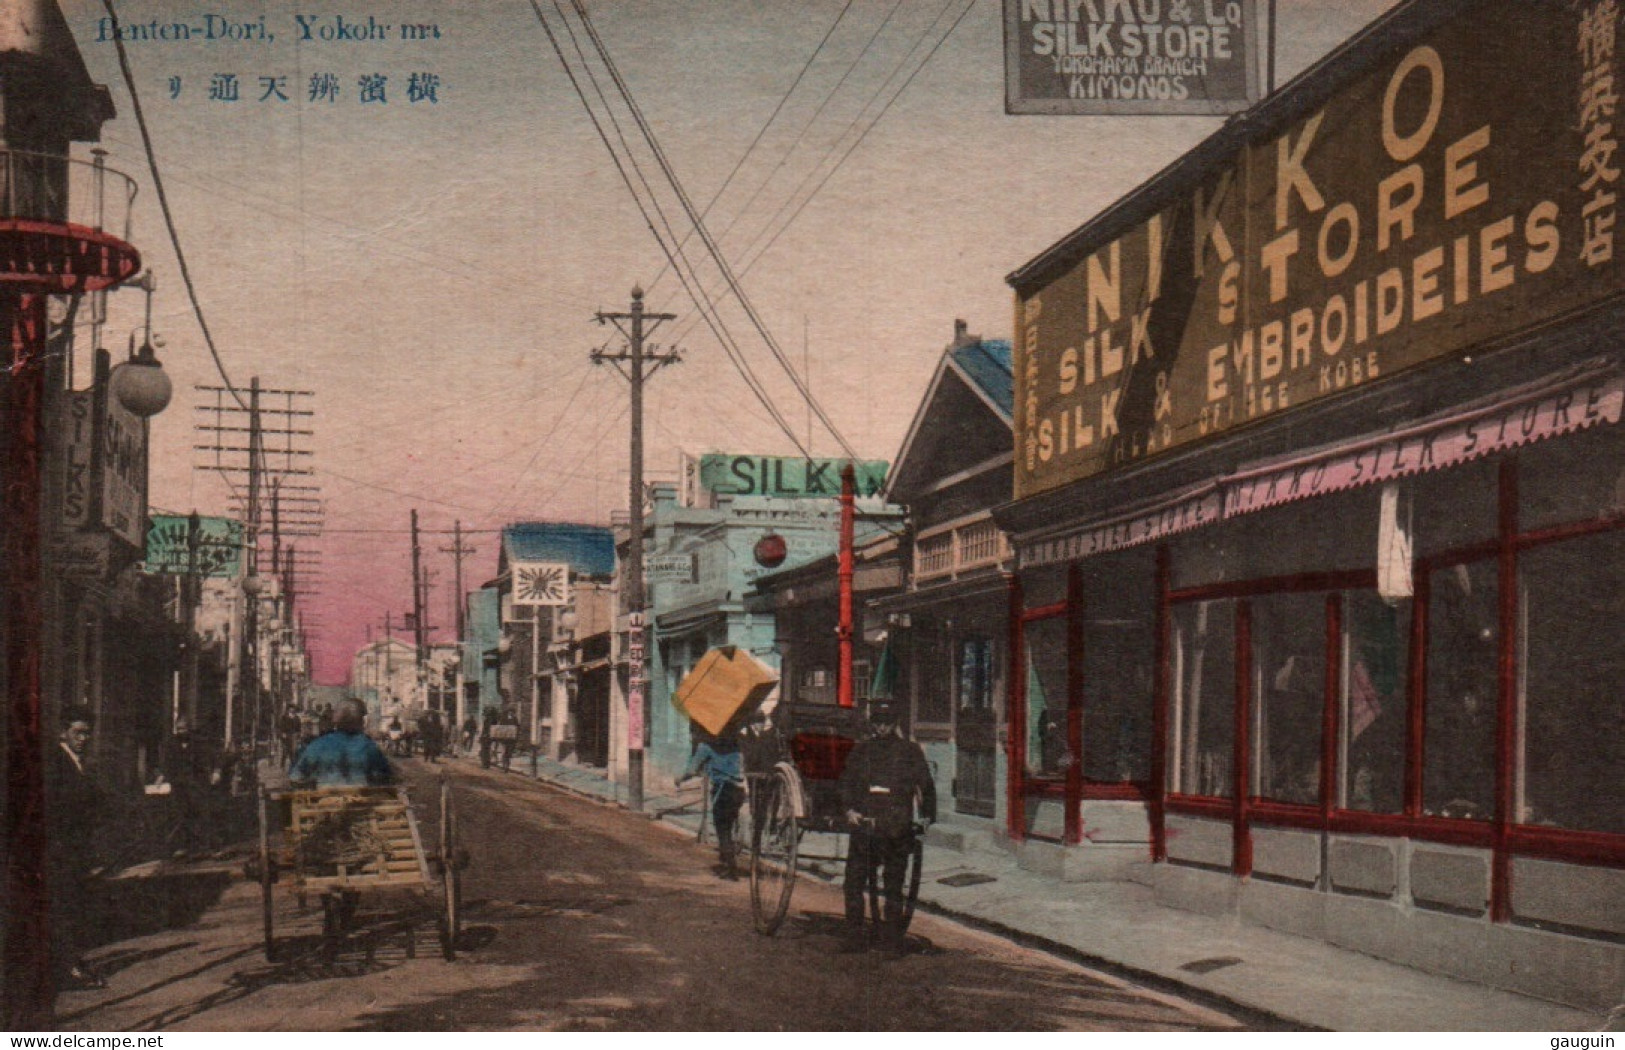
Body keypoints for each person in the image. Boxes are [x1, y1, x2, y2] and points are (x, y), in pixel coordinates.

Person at [837, 698, 935, 957]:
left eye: (887, 723)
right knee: (854, 881)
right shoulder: (861, 751)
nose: (882, 728)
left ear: (895, 724)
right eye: (878, 723)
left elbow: (925, 785)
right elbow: (846, 782)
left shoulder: (910, 751)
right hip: (865, 826)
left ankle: (891, 941)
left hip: (895, 826)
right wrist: (849, 810)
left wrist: (926, 817)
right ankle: (854, 936)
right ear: (872, 724)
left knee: (893, 884)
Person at [47, 706, 107, 989]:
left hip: (76, 849)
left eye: (87, 733)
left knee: (76, 906)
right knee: (64, 906)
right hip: (60, 849)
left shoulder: (80, 763)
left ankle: (73, 962)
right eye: (77, 733)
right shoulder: (56, 763)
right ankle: (68, 968)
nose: (83, 738)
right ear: (63, 733)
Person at [676, 723, 745, 879]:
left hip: (723, 790)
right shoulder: (734, 744)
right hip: (739, 790)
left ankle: (730, 867)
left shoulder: (705, 746)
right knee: (729, 825)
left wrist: (679, 779)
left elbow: (692, 770)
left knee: (723, 829)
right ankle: (727, 860)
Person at [289, 698, 395, 788]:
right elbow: (386, 776)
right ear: (360, 722)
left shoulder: (318, 745)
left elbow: (296, 777)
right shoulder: (369, 746)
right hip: (360, 806)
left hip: (325, 804)